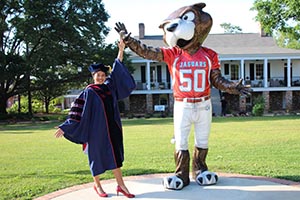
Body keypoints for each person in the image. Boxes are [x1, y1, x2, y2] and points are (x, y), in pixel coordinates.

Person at [54, 39, 136, 198]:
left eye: (102, 75)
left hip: (113, 129)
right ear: (93, 76)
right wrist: (66, 126)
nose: (100, 77)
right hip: (96, 131)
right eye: (98, 75)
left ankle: (121, 186)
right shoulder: (89, 92)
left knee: (115, 157)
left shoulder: (109, 87)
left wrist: (121, 50)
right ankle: (97, 185)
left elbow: (117, 70)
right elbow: (77, 111)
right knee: (96, 157)